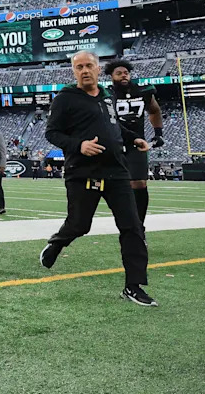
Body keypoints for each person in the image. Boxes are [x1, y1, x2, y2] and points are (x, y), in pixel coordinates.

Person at [40, 51, 156, 307]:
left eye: (88, 65)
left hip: (116, 170)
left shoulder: (106, 96)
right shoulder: (65, 98)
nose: (84, 70)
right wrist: (78, 145)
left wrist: (132, 138)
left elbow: (114, 126)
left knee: (133, 227)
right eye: (79, 67)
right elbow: (52, 133)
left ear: (97, 67)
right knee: (80, 225)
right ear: (74, 71)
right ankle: (57, 243)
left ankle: (134, 285)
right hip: (82, 172)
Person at [105, 59, 163, 226]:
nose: (124, 75)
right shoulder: (106, 93)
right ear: (111, 76)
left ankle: (139, 226)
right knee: (112, 186)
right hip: (113, 143)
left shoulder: (142, 90)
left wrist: (158, 133)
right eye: (119, 73)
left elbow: (154, 110)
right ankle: (126, 222)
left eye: (126, 73)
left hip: (137, 143)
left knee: (139, 183)